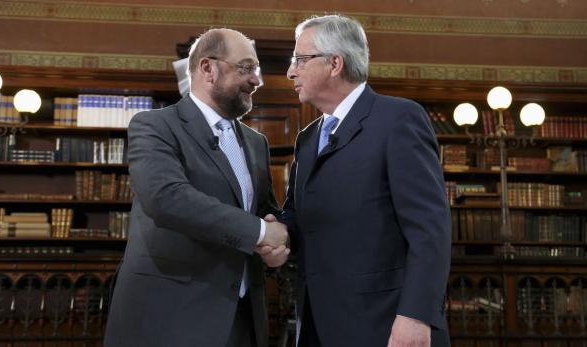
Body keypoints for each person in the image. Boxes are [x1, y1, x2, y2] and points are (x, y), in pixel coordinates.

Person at [267, 14, 452, 347]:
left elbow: (430, 229)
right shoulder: (308, 139)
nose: (290, 72)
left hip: (385, 324)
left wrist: (416, 315)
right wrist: (275, 231)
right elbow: (298, 217)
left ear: (335, 63)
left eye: (300, 60)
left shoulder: (397, 119)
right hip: (316, 324)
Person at [104, 28, 290, 347]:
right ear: (208, 68)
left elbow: (264, 213)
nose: (257, 80)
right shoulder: (155, 126)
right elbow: (166, 198)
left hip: (242, 320)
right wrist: (260, 232)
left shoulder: (256, 143)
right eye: (246, 68)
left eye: (256, 70)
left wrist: (279, 246)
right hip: (170, 319)